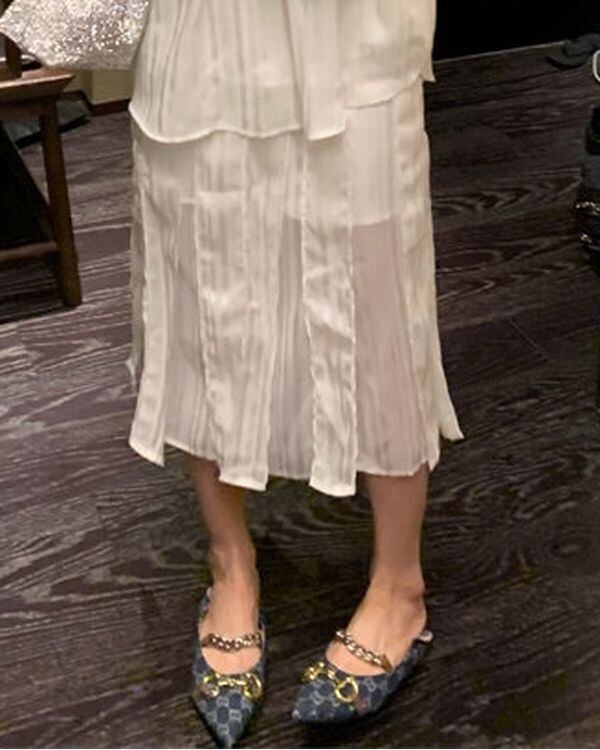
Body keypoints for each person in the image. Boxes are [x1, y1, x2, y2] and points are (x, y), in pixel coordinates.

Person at [124, 0, 465, 746]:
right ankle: (230, 561)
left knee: (376, 290)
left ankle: (399, 584)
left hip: (353, 33)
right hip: (202, 33)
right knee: (204, 286)